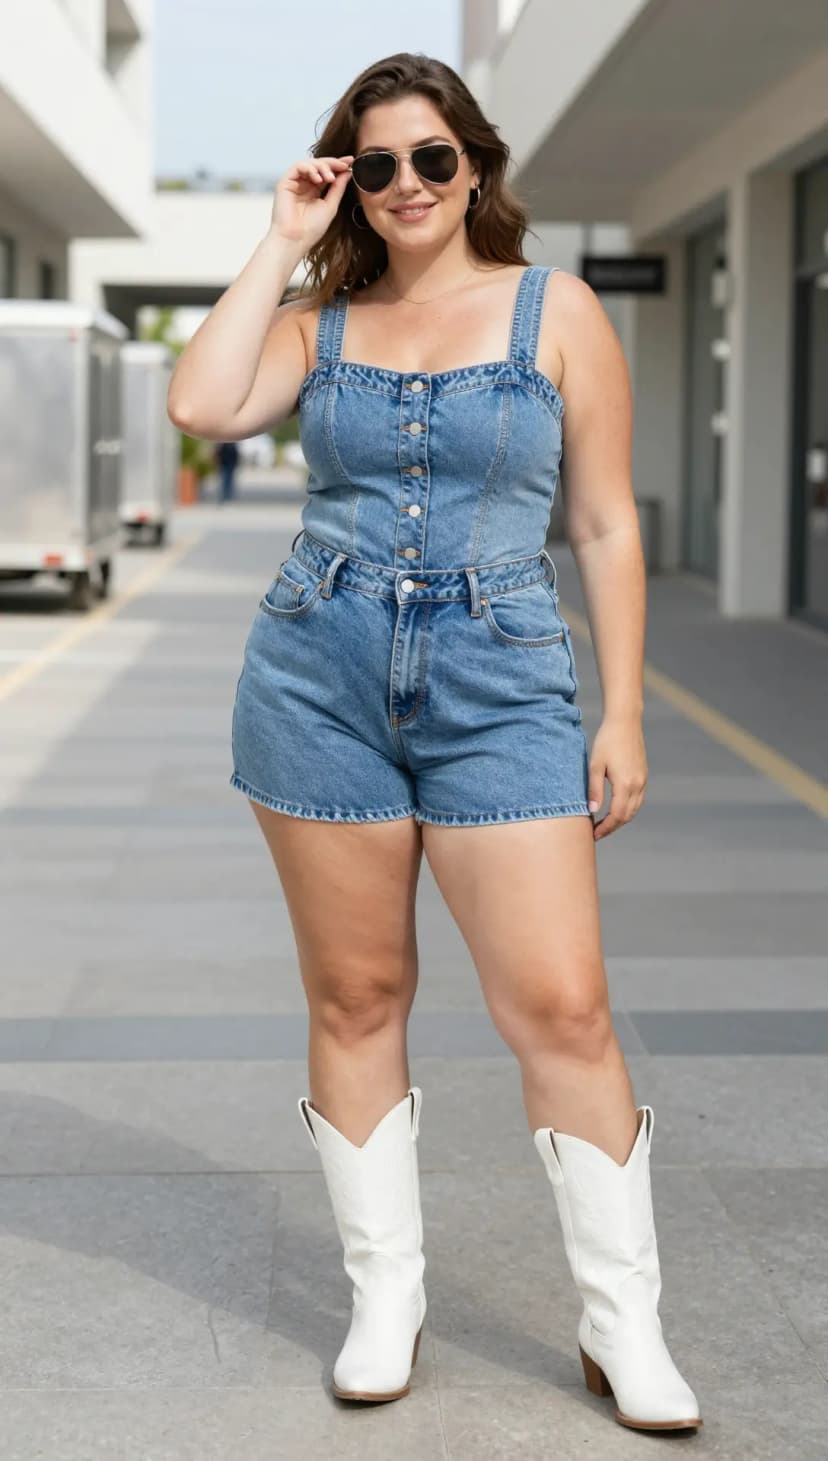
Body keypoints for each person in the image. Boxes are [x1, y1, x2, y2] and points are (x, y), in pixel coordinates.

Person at [166, 53, 702, 1431]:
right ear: (350, 176)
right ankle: (385, 1297)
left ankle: (623, 1322)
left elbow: (603, 525)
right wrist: (282, 237)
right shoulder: (320, 316)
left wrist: (626, 707)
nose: (408, 185)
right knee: (357, 997)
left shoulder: (557, 309)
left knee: (564, 1007)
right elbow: (202, 405)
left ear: (476, 165)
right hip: (317, 669)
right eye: (378, 162)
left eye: (433, 158)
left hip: (503, 676)